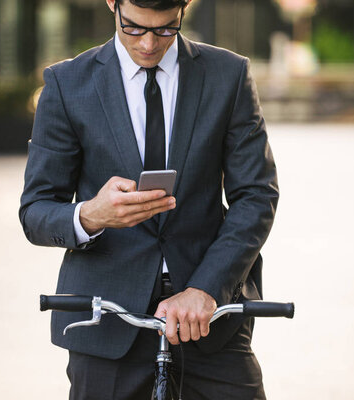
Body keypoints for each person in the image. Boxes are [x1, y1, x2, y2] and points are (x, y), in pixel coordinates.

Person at [19, 0, 279, 398]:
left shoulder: (228, 74)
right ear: (112, 3)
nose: (148, 44)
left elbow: (256, 195)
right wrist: (91, 215)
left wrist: (206, 289)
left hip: (207, 317)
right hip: (104, 320)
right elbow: (35, 211)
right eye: (134, 27)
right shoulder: (66, 84)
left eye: (165, 29)